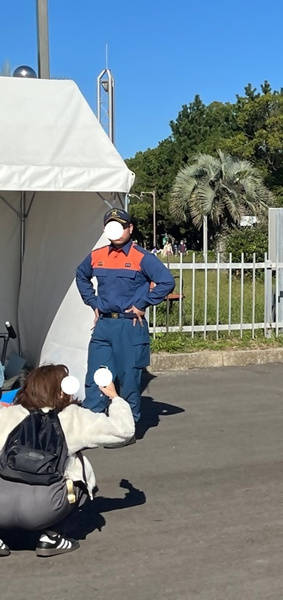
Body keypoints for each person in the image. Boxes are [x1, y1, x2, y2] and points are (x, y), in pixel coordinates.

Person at [0, 364, 135, 557]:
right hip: (44, 508)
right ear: (62, 391)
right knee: (81, 471)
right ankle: (51, 537)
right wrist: (114, 397)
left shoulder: (6, 414)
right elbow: (124, 430)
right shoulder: (74, 417)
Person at [75, 208, 175, 426]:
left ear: (130, 228)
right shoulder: (97, 256)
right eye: (112, 226)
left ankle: (127, 427)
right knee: (97, 377)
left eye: (122, 226)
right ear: (105, 230)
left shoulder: (142, 257)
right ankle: (93, 424)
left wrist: (142, 304)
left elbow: (167, 282)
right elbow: (81, 275)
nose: (117, 231)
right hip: (103, 326)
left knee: (129, 378)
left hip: (129, 326)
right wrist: (93, 304)